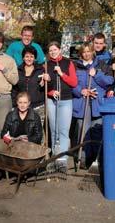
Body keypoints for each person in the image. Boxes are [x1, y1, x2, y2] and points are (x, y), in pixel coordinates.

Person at [72, 42, 114, 168]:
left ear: (92, 52)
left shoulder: (101, 65)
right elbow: (72, 84)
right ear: (81, 54)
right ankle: (83, 159)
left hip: (97, 103)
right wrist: (81, 91)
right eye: (84, 52)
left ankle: (96, 160)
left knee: (97, 132)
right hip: (82, 103)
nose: (86, 54)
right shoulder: (76, 66)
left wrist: (96, 74)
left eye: (88, 51)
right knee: (82, 132)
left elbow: (109, 82)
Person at [42, 41, 78, 169]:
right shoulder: (46, 64)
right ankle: (53, 158)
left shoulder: (68, 62)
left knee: (63, 131)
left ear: (59, 50)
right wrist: (50, 90)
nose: (52, 52)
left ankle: (62, 160)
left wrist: (61, 73)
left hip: (66, 100)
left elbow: (73, 83)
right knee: (54, 130)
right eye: (50, 50)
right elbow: (43, 85)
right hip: (52, 101)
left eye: (55, 50)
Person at [11, 46, 45, 110]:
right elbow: (14, 89)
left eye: (31, 56)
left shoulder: (41, 70)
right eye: (27, 56)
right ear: (23, 58)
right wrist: (14, 104)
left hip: (37, 106)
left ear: (35, 58)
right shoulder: (18, 71)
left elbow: (47, 87)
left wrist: (45, 83)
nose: (29, 59)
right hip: (21, 106)